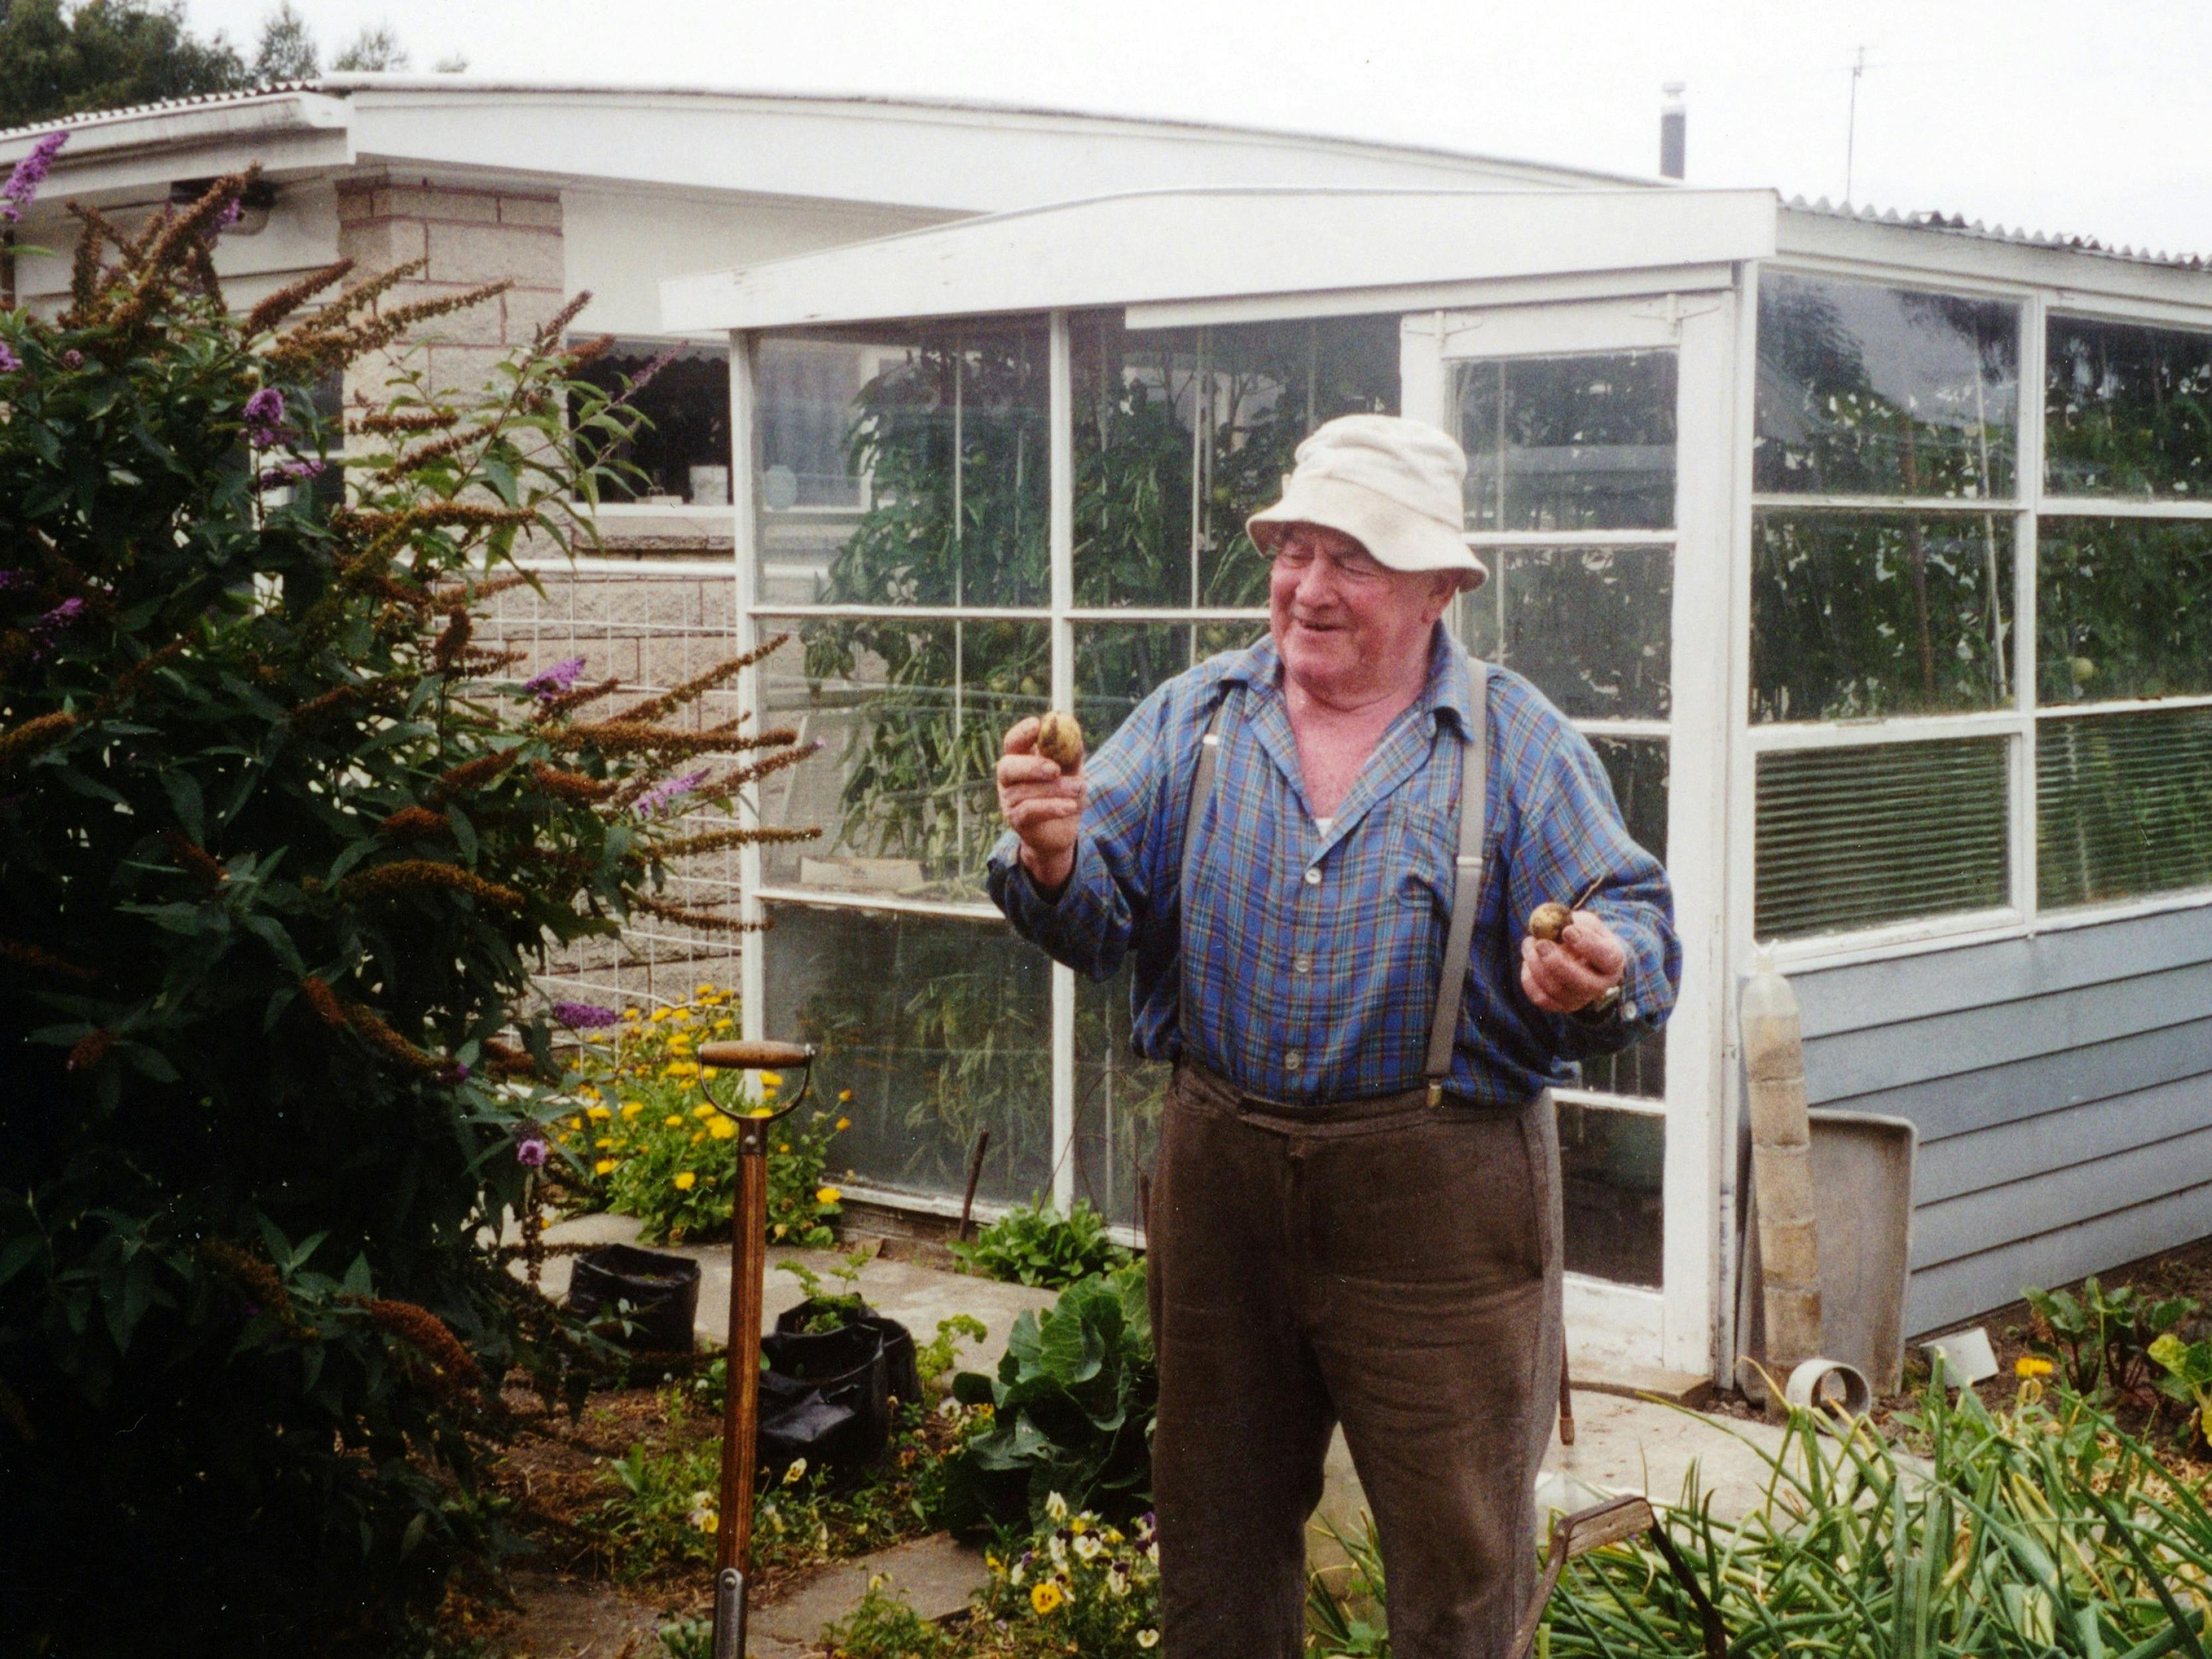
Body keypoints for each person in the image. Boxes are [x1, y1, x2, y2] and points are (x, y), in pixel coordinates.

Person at [986, 413, 1679, 1659]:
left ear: (1435, 587)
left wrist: (1596, 968)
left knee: (1458, 1557)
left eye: (1349, 558)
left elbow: (1632, 920)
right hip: (1221, 1181)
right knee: (1215, 1531)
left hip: (1440, 1199)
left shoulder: (1512, 741)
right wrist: (1050, 854)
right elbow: (1095, 911)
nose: (1307, 588)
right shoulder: (1197, 716)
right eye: (1292, 549)